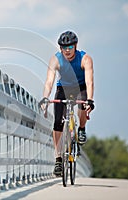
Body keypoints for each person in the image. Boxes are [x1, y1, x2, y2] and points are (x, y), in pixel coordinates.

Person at [40, 31, 95, 176]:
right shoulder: (56, 60)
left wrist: (90, 99)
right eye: (64, 47)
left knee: (83, 105)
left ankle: (81, 128)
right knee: (58, 122)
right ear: (60, 48)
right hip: (63, 88)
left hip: (81, 87)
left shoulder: (85, 59)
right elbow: (49, 81)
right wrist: (45, 98)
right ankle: (58, 159)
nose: (67, 50)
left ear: (76, 46)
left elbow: (89, 81)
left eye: (70, 47)